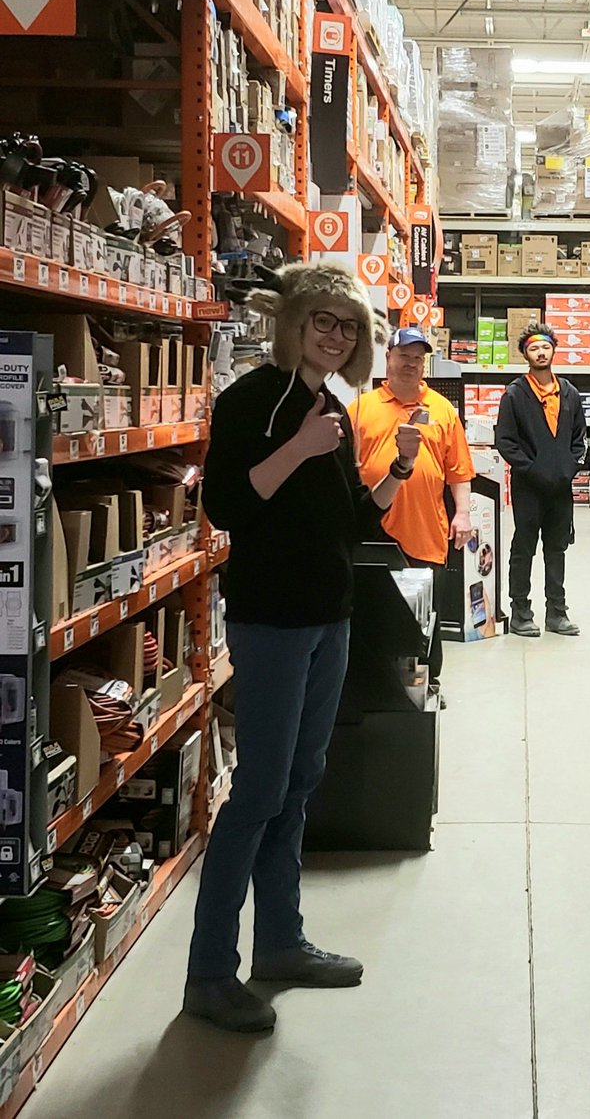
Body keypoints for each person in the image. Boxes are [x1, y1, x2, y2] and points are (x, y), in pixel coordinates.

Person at [188, 263, 422, 1033]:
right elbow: (224, 503)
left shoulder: (337, 411)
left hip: (330, 617)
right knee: (258, 791)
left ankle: (281, 943)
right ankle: (209, 974)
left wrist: (396, 472)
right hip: (272, 621)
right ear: (294, 324)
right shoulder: (252, 399)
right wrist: (297, 446)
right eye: (322, 320)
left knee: (299, 783)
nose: (335, 335)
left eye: (348, 326)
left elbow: (349, 517)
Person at [351, 326, 475, 694]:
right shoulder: (361, 408)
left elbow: (459, 470)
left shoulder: (441, 410)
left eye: (418, 358)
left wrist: (463, 513)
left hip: (424, 531)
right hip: (371, 533)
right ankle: (376, 689)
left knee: (424, 618)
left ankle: (426, 685)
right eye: (404, 355)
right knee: (373, 615)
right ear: (388, 357)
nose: (411, 364)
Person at [495, 323, 586, 637]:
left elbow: (579, 438)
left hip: (560, 487)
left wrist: (569, 467)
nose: (540, 352)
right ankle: (520, 611)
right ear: (525, 355)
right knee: (524, 548)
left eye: (545, 347)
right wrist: (531, 468)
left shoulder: (570, 393)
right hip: (528, 488)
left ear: (553, 351)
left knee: (556, 549)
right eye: (533, 348)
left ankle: (557, 613)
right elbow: (505, 441)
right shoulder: (515, 395)